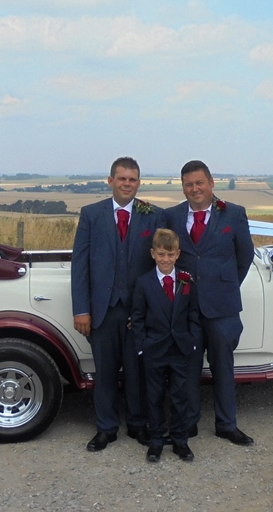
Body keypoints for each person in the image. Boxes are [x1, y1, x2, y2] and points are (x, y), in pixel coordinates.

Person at [71, 156, 165, 451]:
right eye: (122, 178)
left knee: (138, 371)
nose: (127, 184)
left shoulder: (153, 215)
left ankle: (138, 424)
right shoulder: (91, 214)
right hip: (103, 309)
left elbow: (159, 266)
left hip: (137, 311)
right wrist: (81, 310)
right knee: (106, 372)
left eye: (133, 179)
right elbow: (80, 265)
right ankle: (106, 428)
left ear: (139, 183)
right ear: (110, 181)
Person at [165, 160, 256, 446]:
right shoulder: (172, 216)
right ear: (183, 187)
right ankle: (188, 423)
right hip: (187, 308)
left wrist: (224, 286)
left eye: (199, 183)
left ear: (211, 183)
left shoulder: (234, 214)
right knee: (187, 367)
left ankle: (227, 425)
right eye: (188, 184)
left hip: (222, 309)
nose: (195, 189)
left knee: (223, 367)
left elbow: (245, 256)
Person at [131, 228, 200, 462]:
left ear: (178, 254)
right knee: (155, 396)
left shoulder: (186, 279)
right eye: (161, 254)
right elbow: (138, 317)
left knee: (180, 396)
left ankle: (180, 440)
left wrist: (191, 342)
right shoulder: (144, 283)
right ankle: (156, 440)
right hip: (154, 350)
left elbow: (193, 313)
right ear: (153, 254)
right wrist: (142, 345)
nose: (165, 260)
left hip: (180, 349)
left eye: (170, 255)